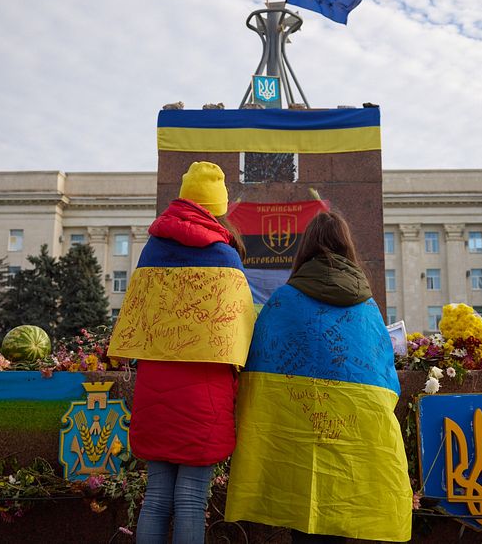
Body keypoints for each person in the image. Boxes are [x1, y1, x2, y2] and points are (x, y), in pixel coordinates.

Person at [225, 210, 412, 542]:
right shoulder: (366, 305)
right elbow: (384, 370)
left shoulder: (283, 300)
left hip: (293, 434)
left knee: (302, 516)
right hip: (351, 436)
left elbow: (258, 355)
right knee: (338, 516)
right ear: (347, 246)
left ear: (305, 246)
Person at [107, 161, 256, 544]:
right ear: (216, 207)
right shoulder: (225, 258)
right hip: (205, 392)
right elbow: (243, 330)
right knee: (191, 498)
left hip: (155, 387)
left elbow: (135, 319)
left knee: (155, 498)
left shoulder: (151, 251)